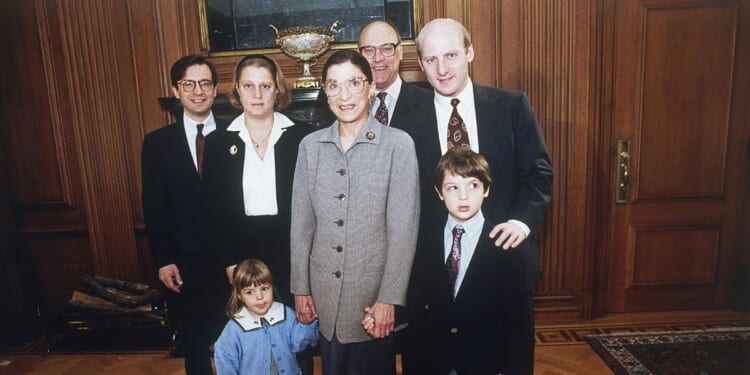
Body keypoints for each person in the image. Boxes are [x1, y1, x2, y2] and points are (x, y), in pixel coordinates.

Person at [404, 18, 554, 374]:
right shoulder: (406, 121)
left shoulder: (512, 106)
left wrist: (522, 221)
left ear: (470, 52)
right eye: (431, 59)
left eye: (452, 55)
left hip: (505, 267)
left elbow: (539, 173)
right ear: (420, 64)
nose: (442, 69)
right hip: (437, 277)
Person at [290, 49, 420, 375]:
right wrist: (301, 288)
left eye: (353, 83)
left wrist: (388, 300)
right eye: (333, 85)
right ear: (324, 91)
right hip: (324, 298)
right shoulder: (310, 147)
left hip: (372, 301)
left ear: (370, 86)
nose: (344, 95)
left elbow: (404, 230)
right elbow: (302, 225)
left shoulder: (398, 144)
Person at [200, 54, 316, 373]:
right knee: (250, 342)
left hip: (291, 251)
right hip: (242, 255)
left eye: (265, 85)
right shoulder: (218, 143)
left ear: (278, 90)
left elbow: (312, 205)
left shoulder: (302, 136)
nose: (257, 94)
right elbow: (214, 211)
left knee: (295, 336)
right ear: (237, 90)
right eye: (248, 86)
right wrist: (229, 262)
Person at [141, 54, 228, 375]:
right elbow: (154, 205)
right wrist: (163, 259)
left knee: (239, 337)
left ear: (216, 89)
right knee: (194, 342)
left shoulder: (237, 136)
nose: (197, 91)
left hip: (231, 260)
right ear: (176, 91)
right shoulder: (157, 144)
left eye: (205, 83)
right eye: (188, 84)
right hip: (184, 263)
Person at [406, 148, 524, 374]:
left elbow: (515, 323)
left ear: (486, 189)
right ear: (439, 192)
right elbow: (416, 307)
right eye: (453, 187)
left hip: (481, 362)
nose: (463, 196)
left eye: (473, 185)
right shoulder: (424, 239)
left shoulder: (504, 245)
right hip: (431, 360)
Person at [214, 259, 319, 375]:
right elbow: (224, 357)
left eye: (264, 289)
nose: (260, 297)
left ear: (272, 287)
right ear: (239, 295)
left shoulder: (285, 313)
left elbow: (298, 344)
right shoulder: (235, 328)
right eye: (250, 292)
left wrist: (307, 323)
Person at [357, 20, 432, 128]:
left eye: (387, 49)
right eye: (369, 51)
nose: (378, 58)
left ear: (400, 52)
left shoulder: (428, 103)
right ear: (359, 55)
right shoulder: (345, 104)